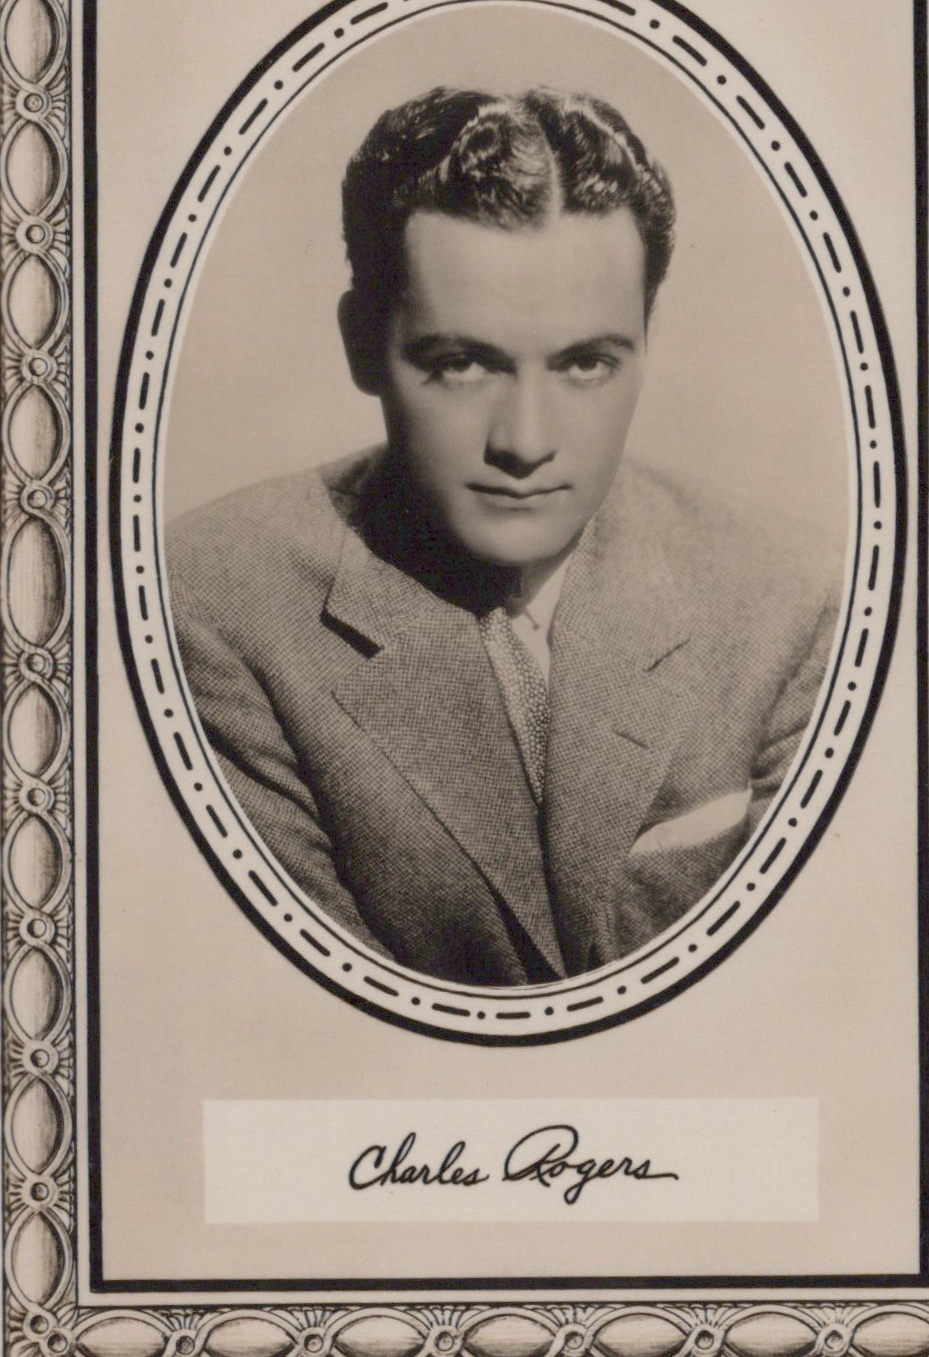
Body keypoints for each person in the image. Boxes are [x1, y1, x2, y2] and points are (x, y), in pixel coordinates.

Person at [167, 86, 838, 987]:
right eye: (461, 363)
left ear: (645, 341)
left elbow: (801, 1008)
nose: (524, 441)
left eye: (585, 363)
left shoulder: (794, 599)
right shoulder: (212, 604)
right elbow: (302, 1032)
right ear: (363, 345)